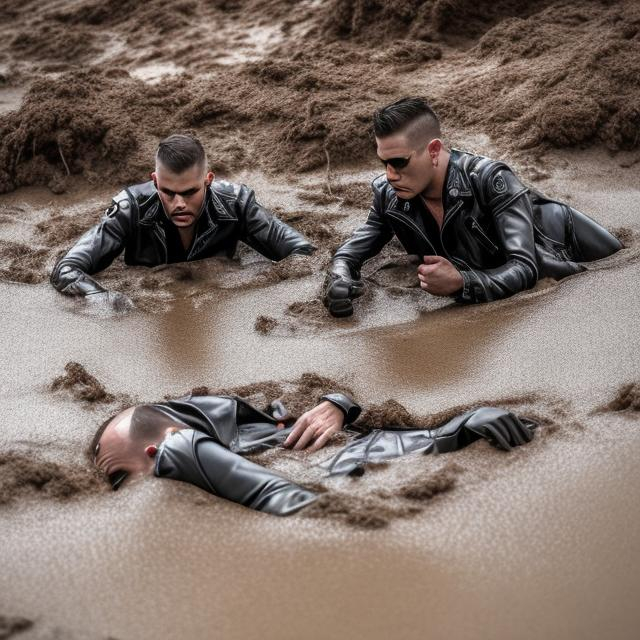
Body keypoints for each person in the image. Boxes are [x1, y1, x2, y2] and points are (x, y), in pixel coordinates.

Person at [322, 97, 623, 317]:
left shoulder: (490, 179)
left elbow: (526, 268)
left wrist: (462, 282)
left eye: (399, 162)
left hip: (578, 257)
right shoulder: (388, 194)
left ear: (434, 151)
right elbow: (351, 252)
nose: (389, 174)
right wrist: (339, 277)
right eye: (383, 162)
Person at [91, 389, 536, 516]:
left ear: (167, 440)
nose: (135, 490)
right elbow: (302, 500)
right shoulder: (200, 458)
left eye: (128, 475)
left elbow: (365, 437)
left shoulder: (238, 427)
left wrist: (338, 405)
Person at [51, 134, 315, 309]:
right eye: (167, 192)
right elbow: (67, 268)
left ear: (208, 180)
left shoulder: (236, 202)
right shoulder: (130, 207)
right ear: (155, 181)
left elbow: (303, 253)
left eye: (190, 192)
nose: (179, 203)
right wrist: (103, 299)